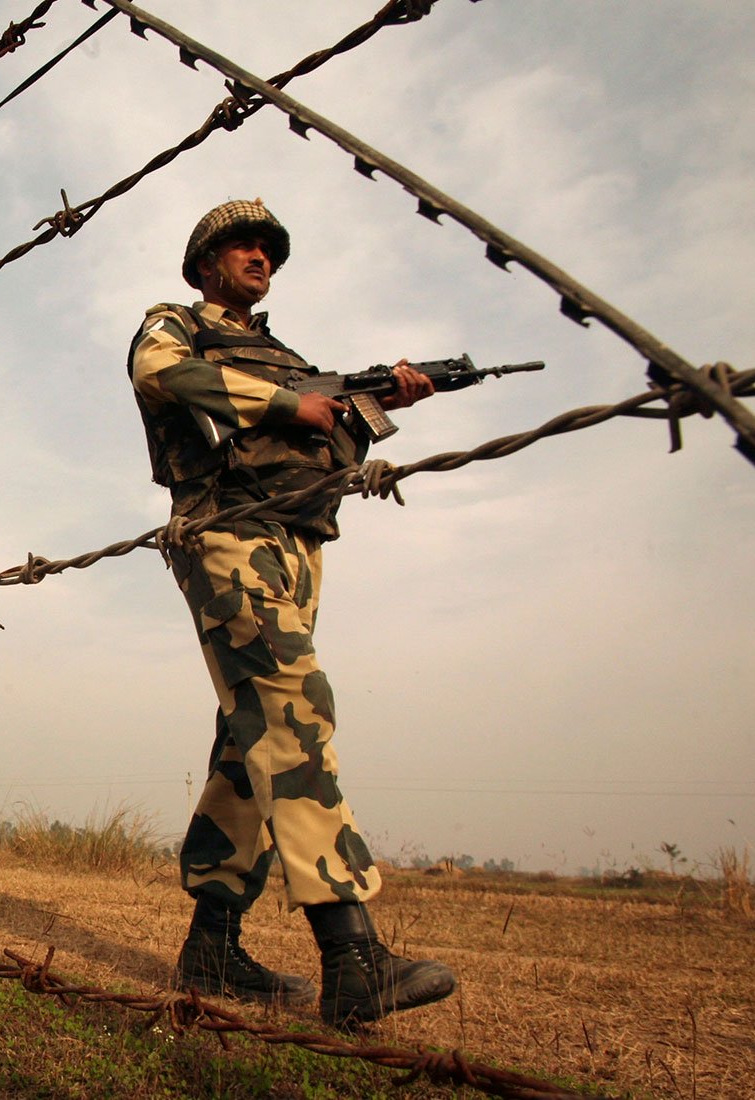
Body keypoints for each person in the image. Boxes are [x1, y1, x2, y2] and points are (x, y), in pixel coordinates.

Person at [127, 197, 456, 1027]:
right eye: (239, 246)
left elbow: (325, 450)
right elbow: (156, 373)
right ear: (204, 264)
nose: (257, 256)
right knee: (295, 717)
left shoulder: (287, 355)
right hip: (226, 533)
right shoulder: (177, 323)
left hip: (298, 545)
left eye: (267, 248)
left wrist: (376, 411)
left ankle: (212, 949)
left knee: (252, 742)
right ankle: (353, 956)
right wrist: (288, 404)